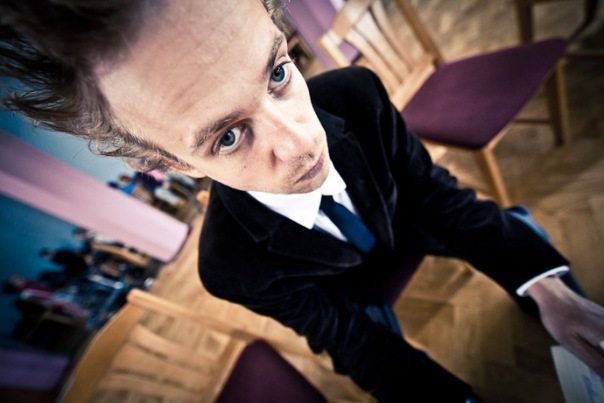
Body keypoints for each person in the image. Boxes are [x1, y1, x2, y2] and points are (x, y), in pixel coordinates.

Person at [1, 1, 603, 401]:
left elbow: (439, 197)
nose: (304, 144)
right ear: (174, 165)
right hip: (346, 294)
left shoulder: (356, 96)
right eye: (227, 136)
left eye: (277, 73)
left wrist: (545, 289)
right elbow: (351, 341)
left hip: (405, 218)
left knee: (526, 247)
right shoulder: (229, 267)